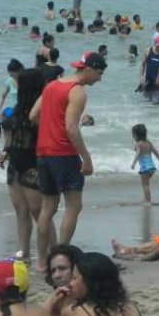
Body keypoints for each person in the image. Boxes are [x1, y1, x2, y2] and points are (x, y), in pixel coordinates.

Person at [31, 52, 105, 268]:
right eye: (99, 73)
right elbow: (71, 128)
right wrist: (86, 158)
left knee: (48, 208)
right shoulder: (78, 92)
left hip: (43, 152)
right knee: (73, 206)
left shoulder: (52, 85)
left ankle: (42, 262)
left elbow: (33, 116)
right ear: (88, 69)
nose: (99, 79)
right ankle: (61, 259)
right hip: (63, 154)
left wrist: (50, 128)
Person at [1, 69, 47, 264]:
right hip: (16, 164)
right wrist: (4, 151)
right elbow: (10, 140)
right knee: (21, 211)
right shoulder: (18, 111)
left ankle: (50, 253)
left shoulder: (40, 113)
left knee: (38, 212)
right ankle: (24, 252)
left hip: (32, 165)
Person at [46, 252, 140, 316]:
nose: (70, 283)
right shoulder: (131, 307)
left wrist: (54, 309)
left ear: (89, 282)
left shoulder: (74, 312)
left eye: (74, 278)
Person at [129, 124, 159, 205]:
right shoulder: (148, 143)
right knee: (146, 184)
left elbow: (138, 153)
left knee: (145, 185)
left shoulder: (138, 144)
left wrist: (134, 163)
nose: (133, 137)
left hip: (145, 167)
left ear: (136, 135)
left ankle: (148, 201)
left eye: (133, 135)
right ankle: (146, 199)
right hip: (152, 166)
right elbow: (156, 152)